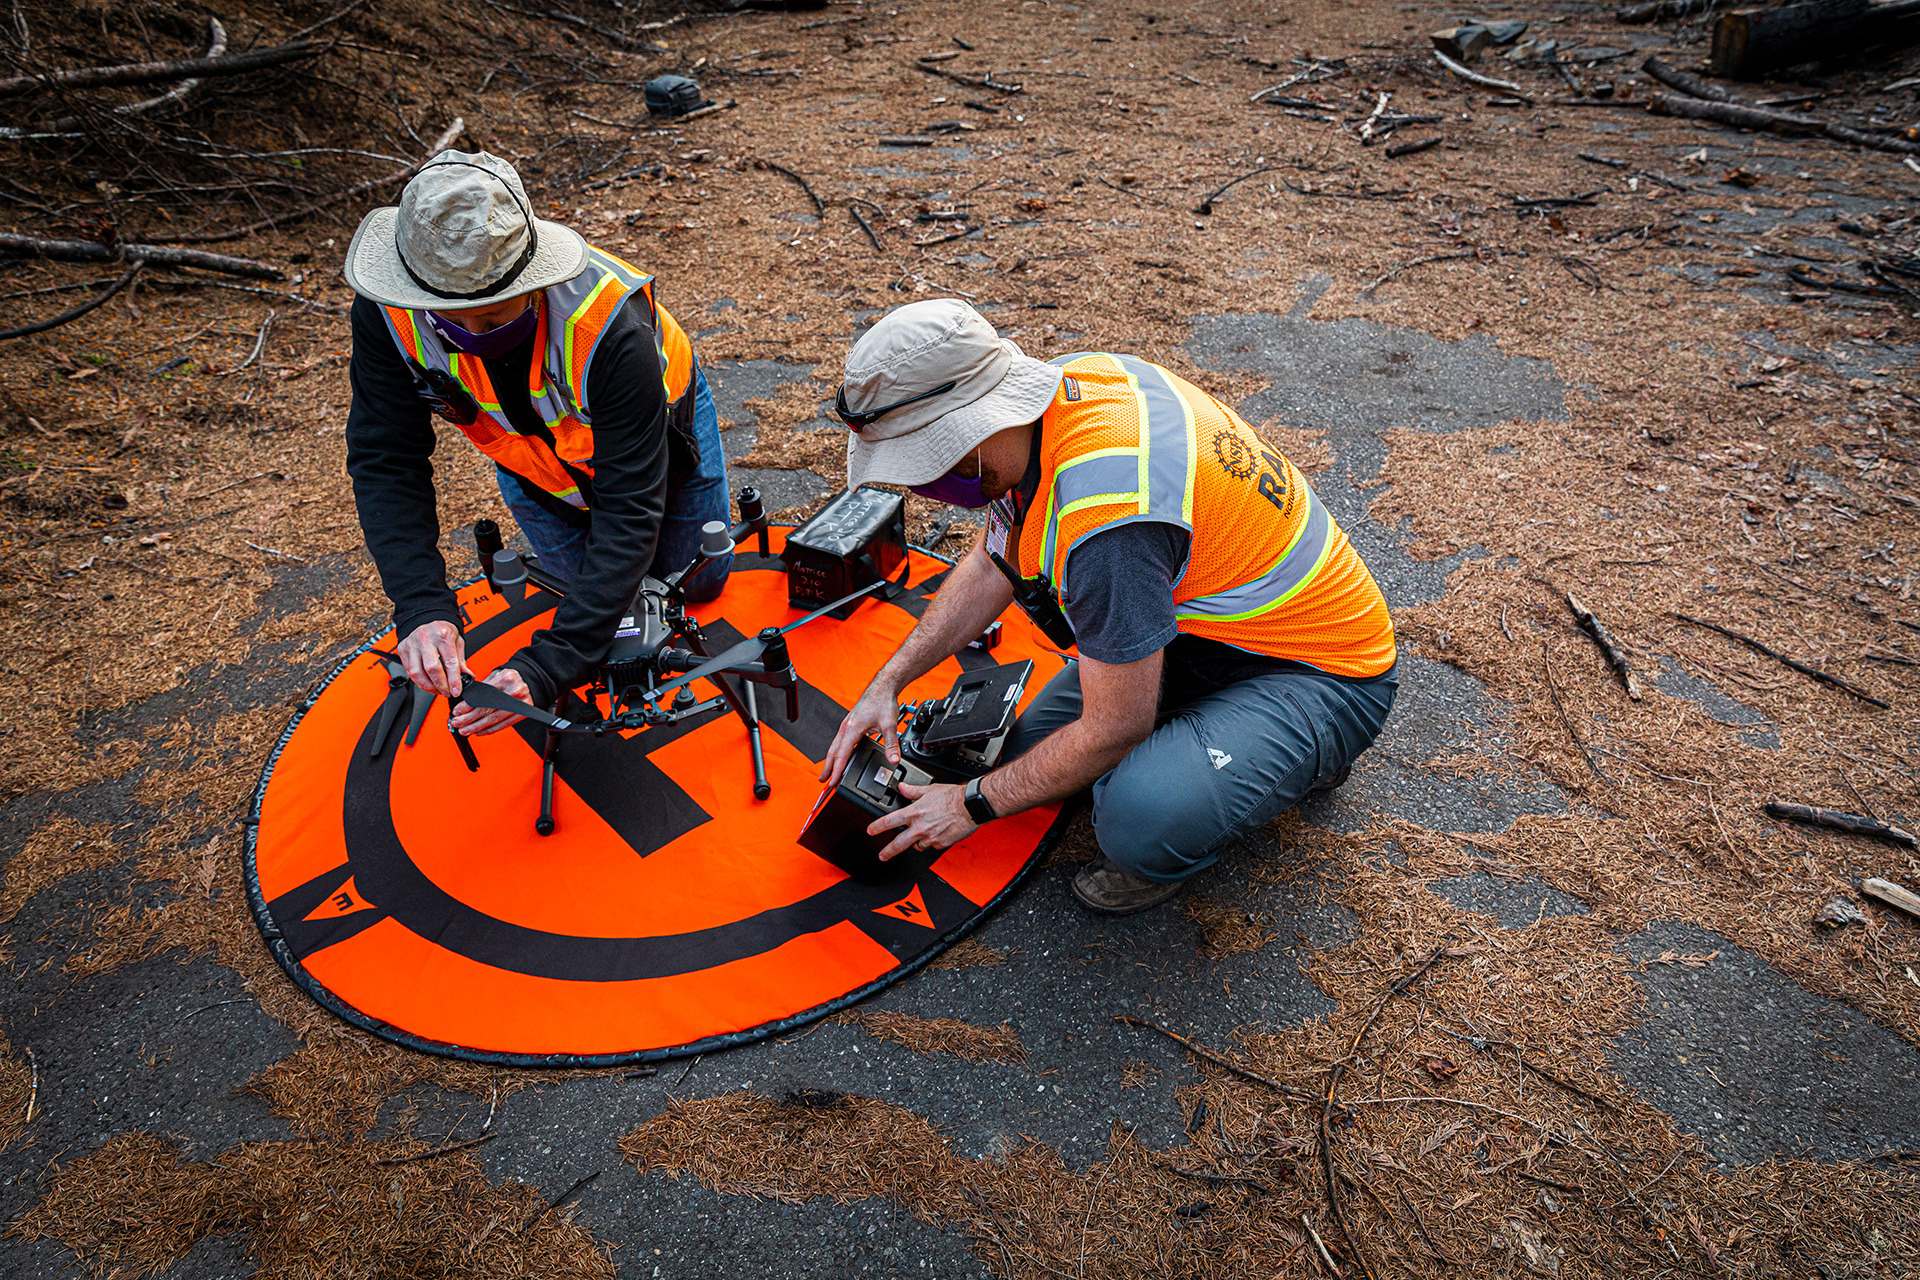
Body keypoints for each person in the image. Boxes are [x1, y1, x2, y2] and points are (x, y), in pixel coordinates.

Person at [819, 300, 1398, 915]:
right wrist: (891, 680)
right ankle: (1207, 736)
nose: (918, 486)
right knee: (1015, 758)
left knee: (1136, 821)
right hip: (1205, 627)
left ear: (977, 426)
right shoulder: (1056, 401)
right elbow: (997, 558)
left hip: (1318, 670)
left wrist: (970, 806)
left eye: (924, 463)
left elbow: (1116, 729)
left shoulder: (1110, 526)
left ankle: (1302, 755)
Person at [342, 150, 731, 735]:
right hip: (534, 466)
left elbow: (630, 505)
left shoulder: (612, 328)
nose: (476, 339)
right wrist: (421, 605)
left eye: (495, 315)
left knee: (696, 584)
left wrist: (548, 666)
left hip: (659, 441)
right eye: (451, 317)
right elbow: (385, 458)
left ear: (532, 278)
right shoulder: (386, 313)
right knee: (603, 616)